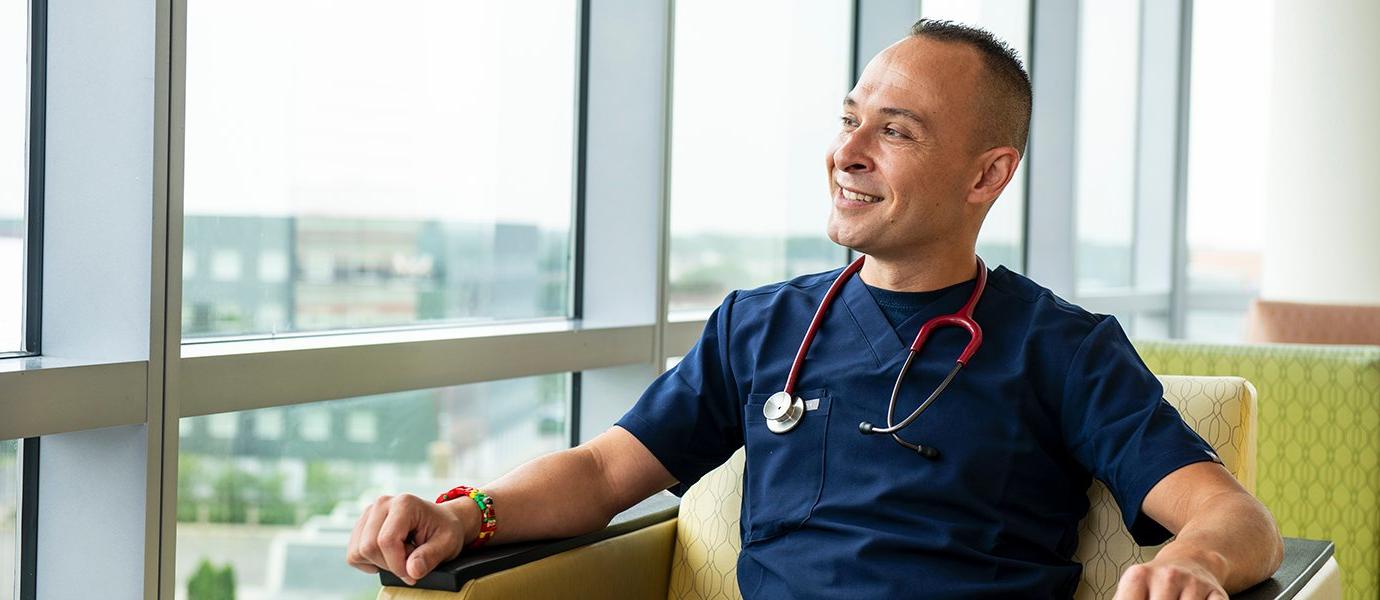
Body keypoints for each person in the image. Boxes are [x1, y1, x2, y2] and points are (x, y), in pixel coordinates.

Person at [346, 20, 1282, 599]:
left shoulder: (1062, 348)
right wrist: (468, 513)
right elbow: (597, 473)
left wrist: (1195, 562)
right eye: (848, 119)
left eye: (896, 130)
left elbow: (1235, 519)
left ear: (987, 174)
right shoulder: (760, 327)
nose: (848, 152)